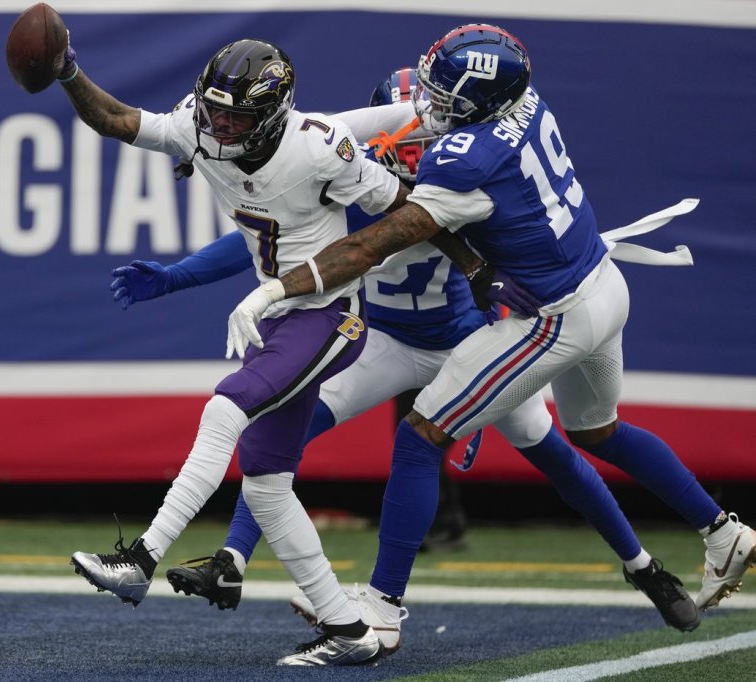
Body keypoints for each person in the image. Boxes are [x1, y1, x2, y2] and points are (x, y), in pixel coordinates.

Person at [112, 68, 701, 653]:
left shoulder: (463, 189)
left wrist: (478, 390)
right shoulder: (356, 182)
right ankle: (233, 559)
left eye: (428, 138)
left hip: (467, 345)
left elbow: (508, 266)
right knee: (279, 429)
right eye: (411, 139)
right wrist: (174, 277)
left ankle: (643, 566)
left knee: (551, 450)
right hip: (386, 340)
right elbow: (255, 238)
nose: (418, 152)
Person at [225, 25, 756, 627]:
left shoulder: (458, 164)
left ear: (478, 101)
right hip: (603, 284)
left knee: (420, 436)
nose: (427, 110)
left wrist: (276, 287)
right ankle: (721, 530)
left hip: (550, 318)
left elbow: (370, 245)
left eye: (442, 96)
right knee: (598, 433)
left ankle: (383, 605)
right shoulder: (526, 101)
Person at [36, 28, 503, 666]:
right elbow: (118, 119)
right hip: (281, 317)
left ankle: (141, 559)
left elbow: (405, 208)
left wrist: (473, 264)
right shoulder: (198, 126)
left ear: (271, 116)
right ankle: (349, 630)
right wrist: (68, 71)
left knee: (224, 410)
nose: (219, 125)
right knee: (265, 485)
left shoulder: (319, 148)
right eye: (214, 110)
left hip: (328, 313)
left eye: (235, 116)